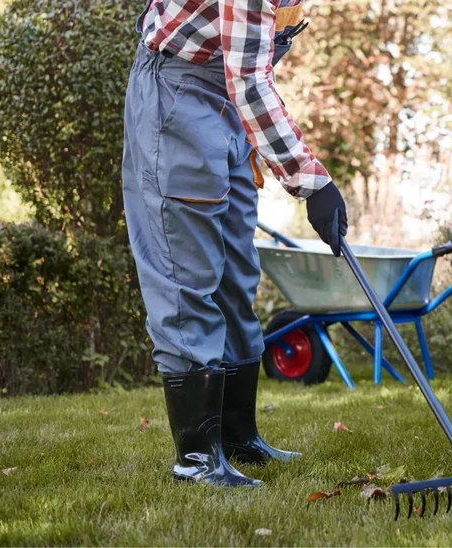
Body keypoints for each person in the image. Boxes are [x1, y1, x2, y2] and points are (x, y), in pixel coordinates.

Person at [121, 0, 348, 487]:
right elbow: (250, 79)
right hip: (178, 97)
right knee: (188, 277)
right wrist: (311, 182)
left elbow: (249, 67)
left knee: (234, 274)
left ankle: (239, 438)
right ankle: (198, 461)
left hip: (225, 100)